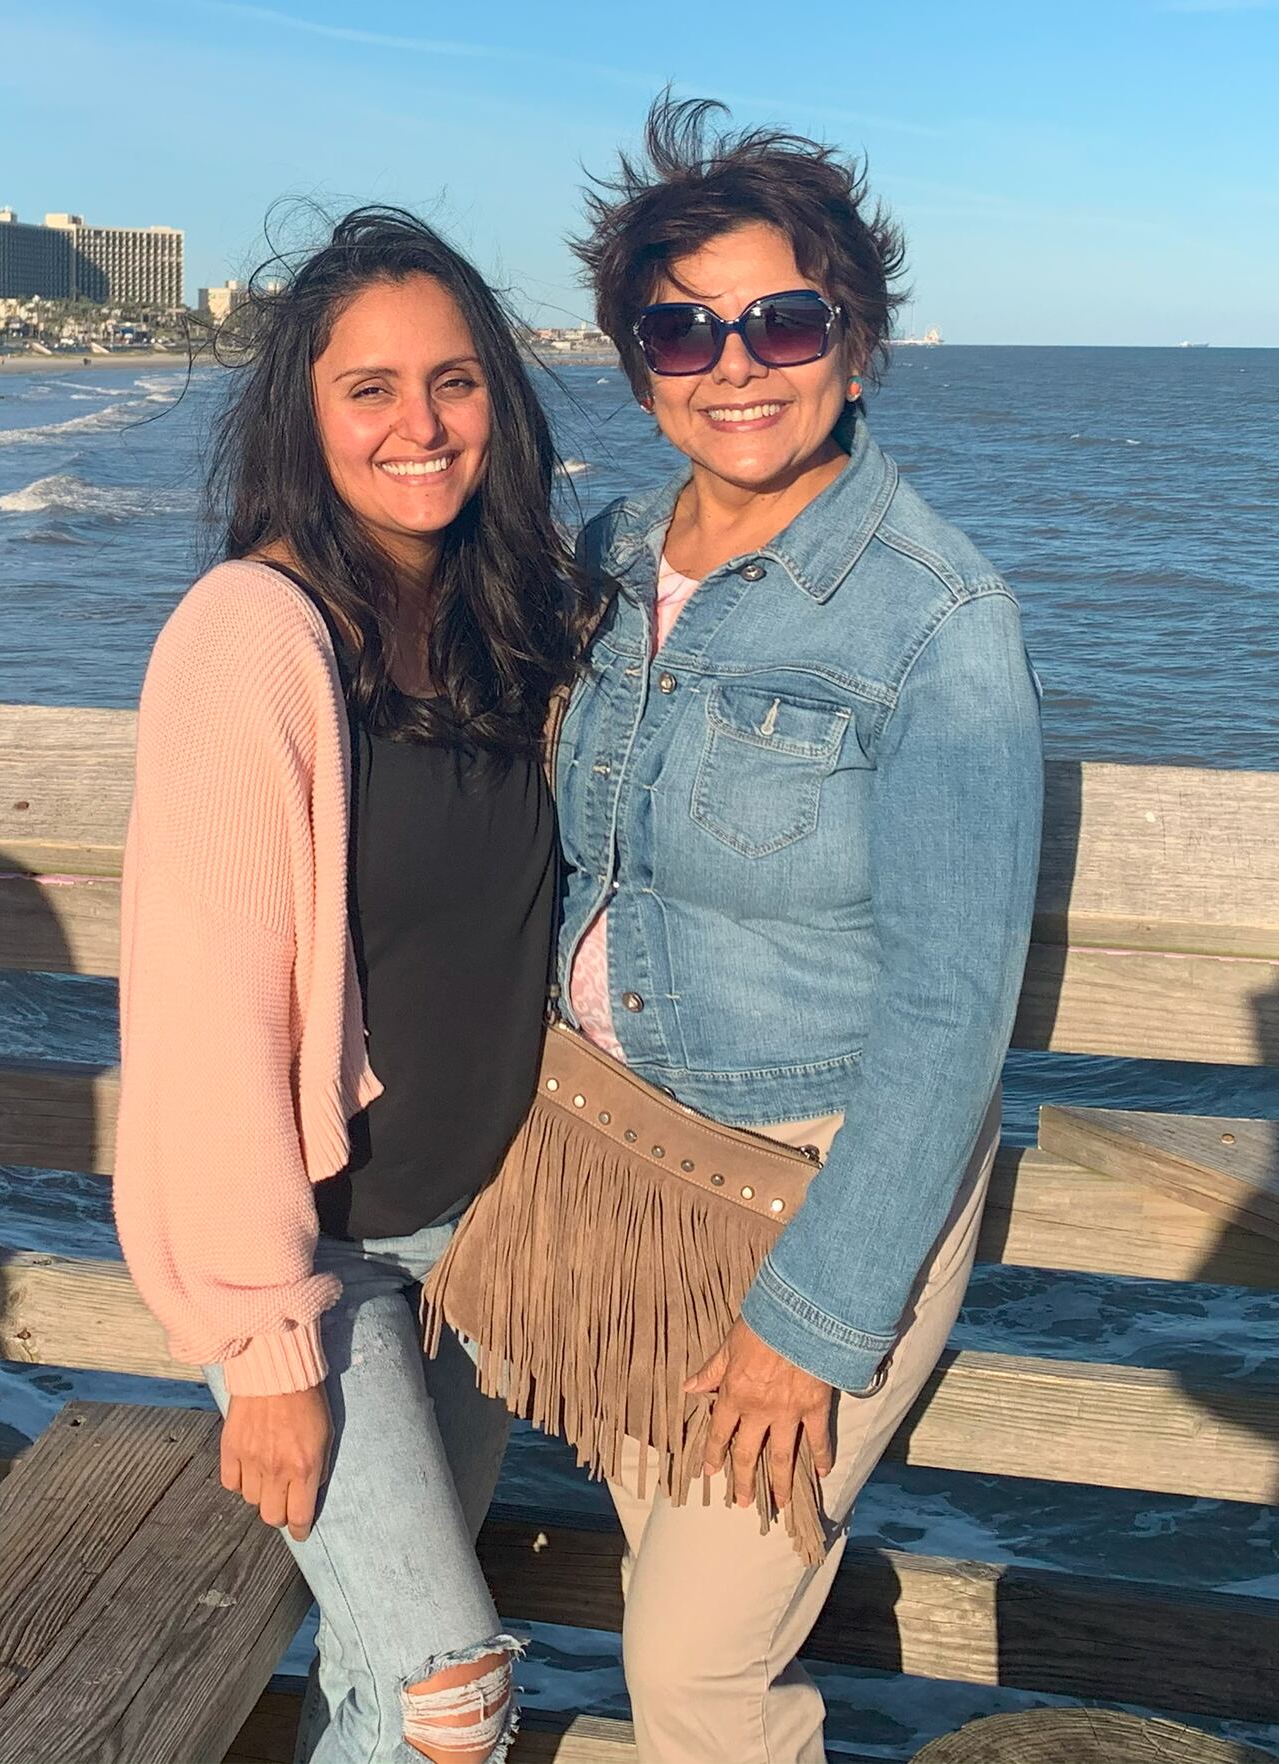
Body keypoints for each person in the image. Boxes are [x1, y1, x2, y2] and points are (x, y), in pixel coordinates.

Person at [556, 97, 1044, 1763]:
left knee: (696, 1674)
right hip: (613, 1170)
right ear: (636, 360)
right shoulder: (608, 562)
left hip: (808, 1181)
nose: (734, 364)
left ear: (854, 338)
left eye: (782, 319)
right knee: (668, 1591)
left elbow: (951, 1011)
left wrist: (812, 1317)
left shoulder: (937, 615)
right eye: (682, 327)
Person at [113, 208, 596, 1764]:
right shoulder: (250, 638)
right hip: (324, 1265)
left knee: (382, 1691)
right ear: (301, 412)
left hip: (482, 1242)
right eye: (369, 388)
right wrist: (268, 1349)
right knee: (453, 1687)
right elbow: (210, 1019)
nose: (419, 425)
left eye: (454, 382)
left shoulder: (502, 615)